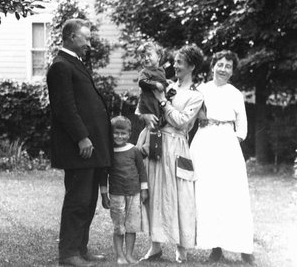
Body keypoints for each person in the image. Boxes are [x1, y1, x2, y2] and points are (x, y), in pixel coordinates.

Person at [46, 18, 113, 267]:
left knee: (88, 200)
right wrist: (82, 137)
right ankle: (68, 254)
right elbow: (64, 108)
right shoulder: (60, 66)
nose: (89, 43)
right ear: (72, 37)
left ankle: (81, 249)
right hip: (79, 148)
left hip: (91, 148)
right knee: (78, 200)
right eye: (86, 38)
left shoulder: (75, 63)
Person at [137, 44, 205, 263]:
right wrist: (145, 116)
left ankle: (182, 247)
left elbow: (181, 121)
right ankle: (155, 246)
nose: (174, 66)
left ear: (191, 66)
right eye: (174, 61)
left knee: (181, 194)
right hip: (158, 141)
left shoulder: (196, 96)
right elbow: (144, 107)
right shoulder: (166, 84)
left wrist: (164, 101)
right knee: (155, 191)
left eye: (180, 62)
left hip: (178, 145)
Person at [189, 50, 255, 264]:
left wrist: (231, 143)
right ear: (212, 66)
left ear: (232, 71)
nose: (223, 69)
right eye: (220, 64)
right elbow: (188, 118)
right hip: (204, 142)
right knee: (208, 195)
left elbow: (242, 125)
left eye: (228, 66)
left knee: (234, 195)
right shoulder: (201, 90)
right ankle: (215, 247)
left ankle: (244, 248)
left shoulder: (235, 93)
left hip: (227, 143)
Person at [100, 116, 149, 265]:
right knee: (119, 227)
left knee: (131, 227)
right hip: (116, 195)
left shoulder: (134, 150)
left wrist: (144, 190)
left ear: (129, 134)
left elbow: (142, 171)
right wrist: (104, 194)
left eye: (123, 133)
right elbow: (103, 175)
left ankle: (129, 254)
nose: (119, 136)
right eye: (116, 133)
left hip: (134, 194)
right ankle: (120, 256)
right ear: (110, 133)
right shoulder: (108, 152)